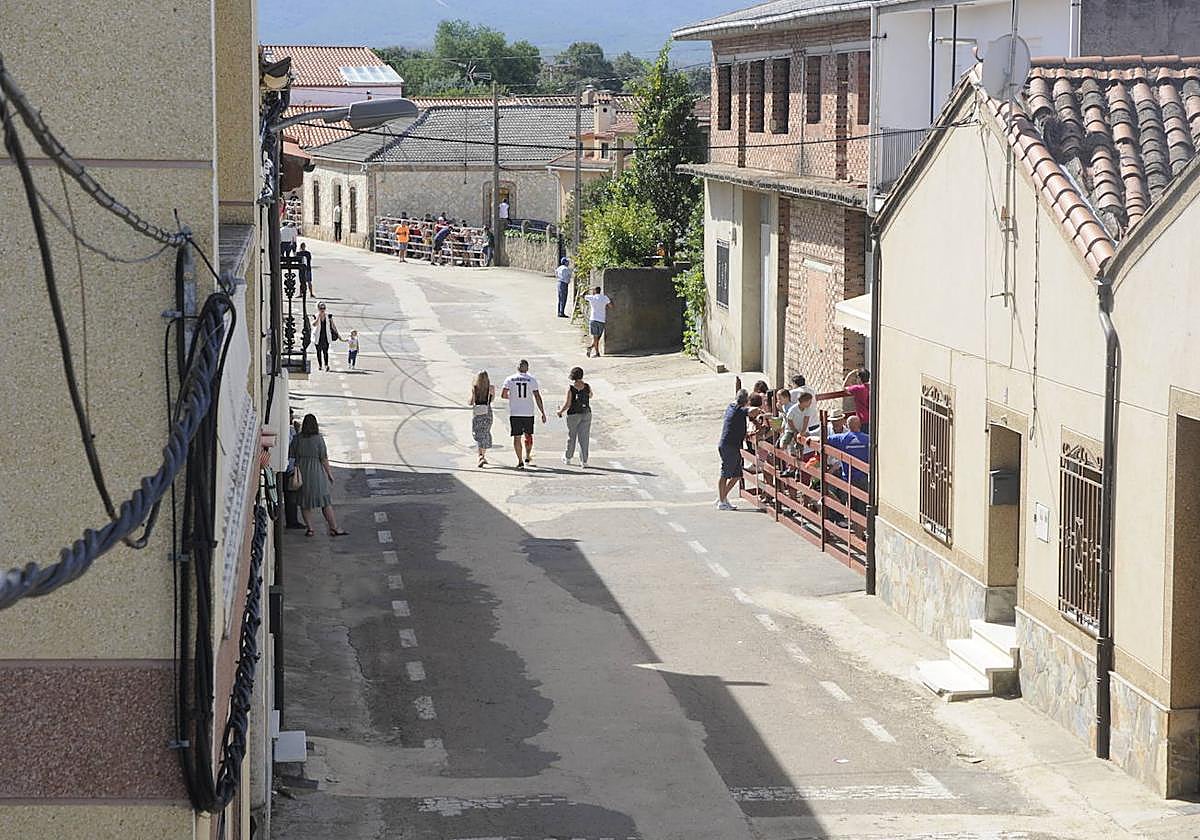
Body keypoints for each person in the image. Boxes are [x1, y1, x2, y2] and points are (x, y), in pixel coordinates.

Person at [289, 413, 348, 537]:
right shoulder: (319, 439)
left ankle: (310, 528)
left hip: (302, 473)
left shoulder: (297, 438)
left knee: (305, 503)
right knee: (325, 502)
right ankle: (334, 527)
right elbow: (323, 458)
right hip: (317, 474)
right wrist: (329, 474)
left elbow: (291, 454)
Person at [501, 359, 546, 469]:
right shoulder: (532, 380)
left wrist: (513, 397)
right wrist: (542, 412)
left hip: (515, 412)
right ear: (527, 368)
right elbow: (537, 396)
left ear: (517, 368)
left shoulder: (510, 379)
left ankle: (520, 461)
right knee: (528, 435)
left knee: (517, 437)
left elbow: (503, 395)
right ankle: (527, 455)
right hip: (528, 412)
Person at [716, 389, 750, 511]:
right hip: (729, 446)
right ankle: (721, 500)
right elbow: (751, 411)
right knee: (725, 473)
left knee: (736, 475)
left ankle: (722, 496)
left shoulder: (731, 406)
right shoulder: (739, 411)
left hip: (731, 445)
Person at [557, 366, 592, 467]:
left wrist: (560, 411)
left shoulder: (571, 388)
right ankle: (584, 461)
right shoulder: (587, 386)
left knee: (572, 436)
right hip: (586, 413)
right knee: (584, 438)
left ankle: (568, 457)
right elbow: (591, 395)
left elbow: (568, 404)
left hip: (573, 415)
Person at [819, 368, 871, 433]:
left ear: (859, 378)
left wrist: (849, 375)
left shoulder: (857, 389)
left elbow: (844, 387)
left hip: (862, 419)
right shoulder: (872, 387)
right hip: (872, 417)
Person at [469, 370, 495, 467]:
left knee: (479, 434)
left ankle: (480, 456)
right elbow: (491, 400)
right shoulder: (491, 388)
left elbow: (471, 402)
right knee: (485, 433)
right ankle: (482, 455)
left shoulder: (475, 388)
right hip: (487, 413)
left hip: (477, 414)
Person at [282, 411, 304, 529]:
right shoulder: (290, 431)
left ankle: (291, 520)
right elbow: (294, 447)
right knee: (291, 496)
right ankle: (292, 521)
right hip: (290, 467)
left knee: (289, 495)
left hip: (285, 466)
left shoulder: (287, 429)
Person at [584, 286, 612, 358]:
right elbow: (611, 306)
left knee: (596, 339)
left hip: (593, 319)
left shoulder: (592, 297)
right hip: (602, 320)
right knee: (597, 338)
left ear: (594, 291)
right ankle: (597, 352)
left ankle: (591, 349)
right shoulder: (604, 297)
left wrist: (587, 289)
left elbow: (581, 295)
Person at [312, 302, 336, 371]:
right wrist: (318, 317)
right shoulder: (315, 315)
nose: (322, 310)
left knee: (325, 352)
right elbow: (314, 324)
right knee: (318, 352)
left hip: (326, 337)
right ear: (318, 309)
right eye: (321, 308)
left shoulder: (328, 316)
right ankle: (320, 365)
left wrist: (337, 335)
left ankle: (326, 365)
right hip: (318, 337)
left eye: (324, 308)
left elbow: (333, 325)